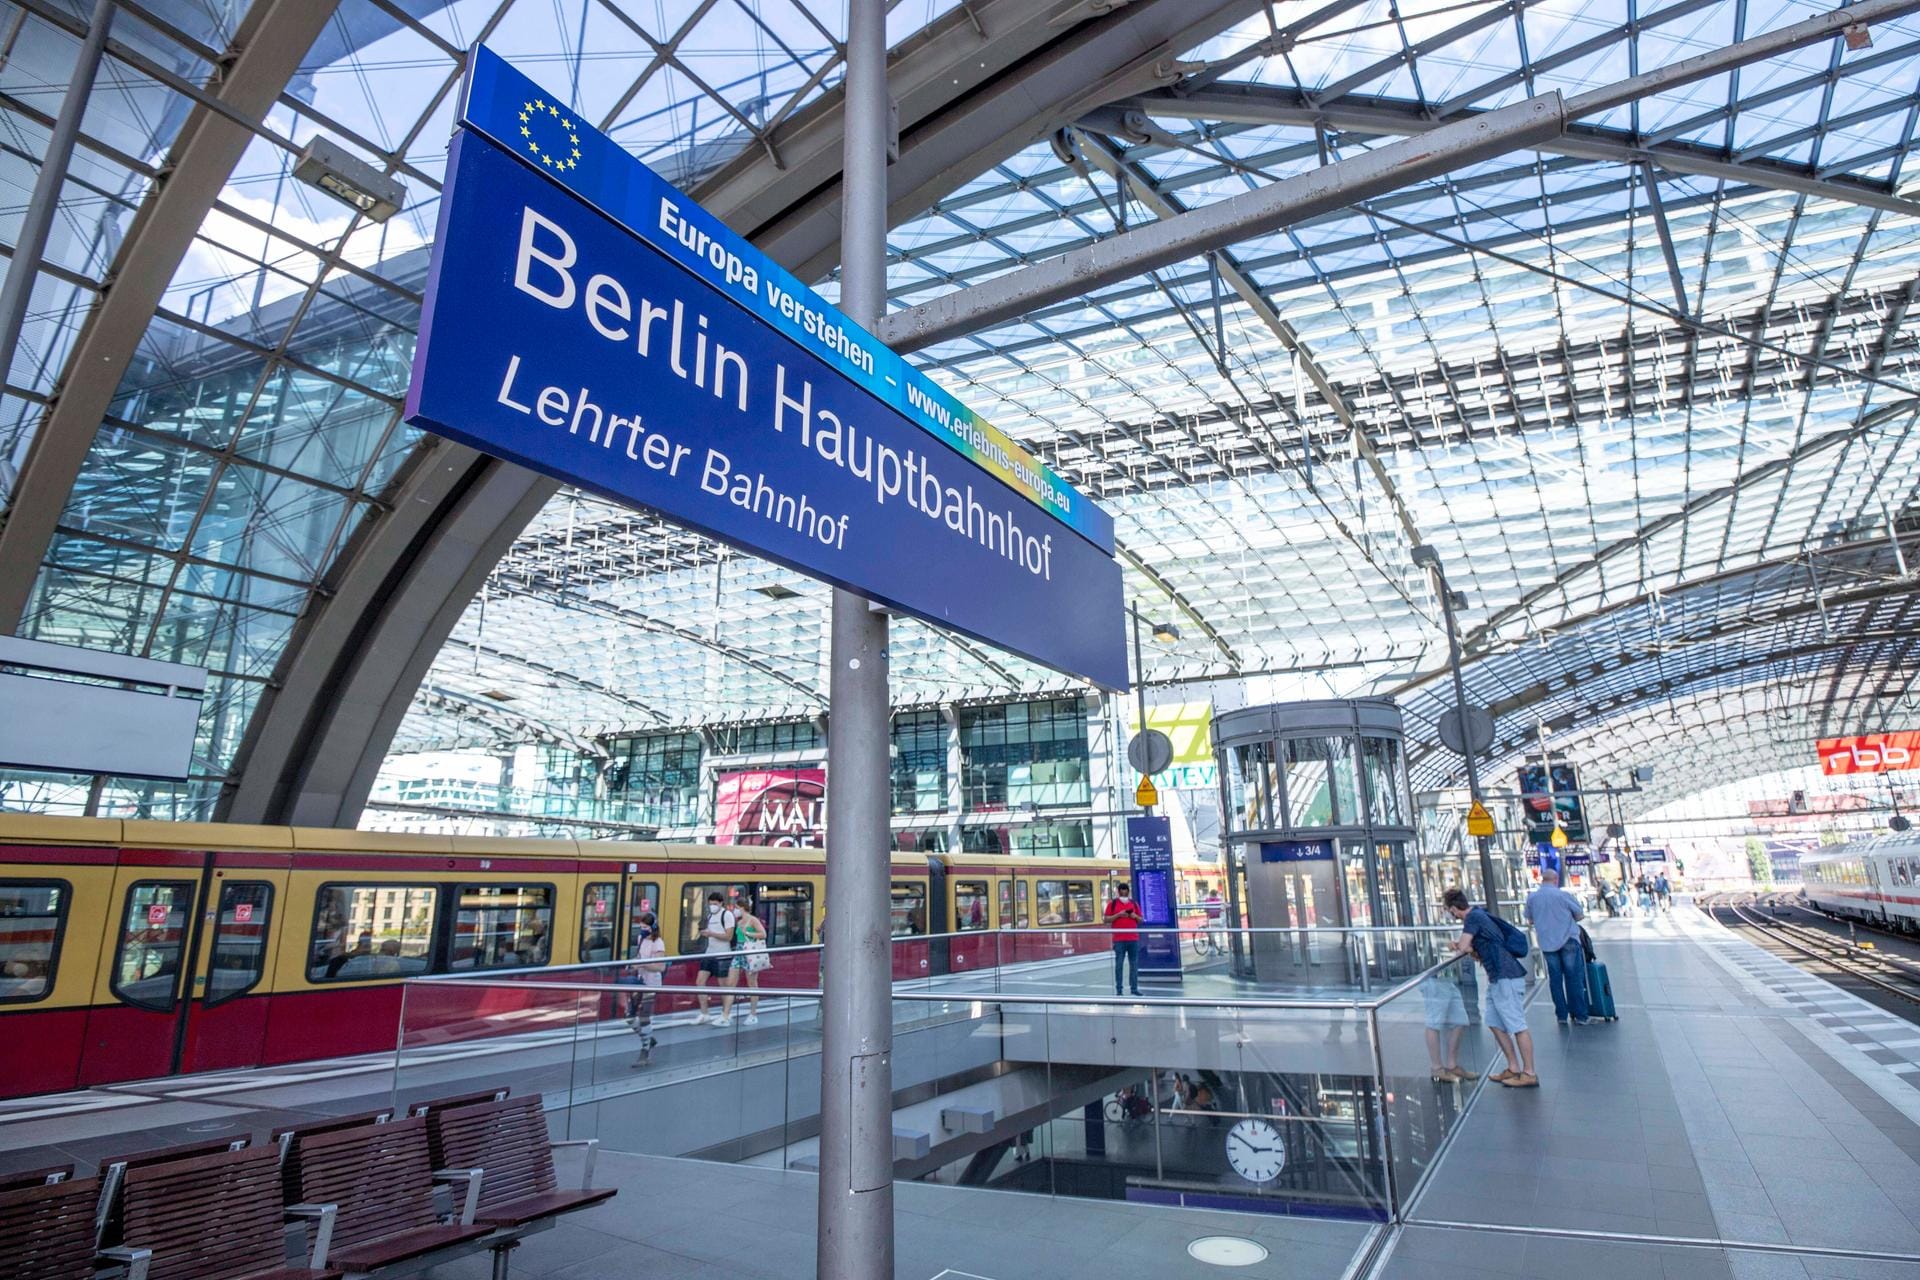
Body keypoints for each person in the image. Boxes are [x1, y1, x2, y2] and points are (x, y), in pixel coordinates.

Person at [1444, 887, 1536, 1087]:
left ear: (1453, 909)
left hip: (1506, 976)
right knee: (1493, 1021)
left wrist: (1455, 945)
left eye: (1450, 911)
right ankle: (1513, 1067)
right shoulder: (1479, 914)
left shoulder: (1473, 918)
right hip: (1498, 977)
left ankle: (1529, 1072)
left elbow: (1463, 946)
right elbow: (1471, 947)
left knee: (1517, 1025)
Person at [1525, 869, 1589, 1026]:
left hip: (1547, 943)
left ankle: (1561, 1015)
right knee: (1573, 978)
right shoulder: (1563, 895)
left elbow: (1529, 920)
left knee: (1555, 979)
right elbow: (1579, 915)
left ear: (1542, 880)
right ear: (1556, 879)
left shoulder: (1532, 898)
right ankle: (1580, 1015)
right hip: (1568, 940)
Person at [693, 891, 737, 1026]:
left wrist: (711, 933)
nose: (713, 906)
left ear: (721, 903)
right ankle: (704, 1013)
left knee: (723, 986)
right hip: (709, 953)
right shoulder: (709, 915)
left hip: (723, 954)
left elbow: (728, 936)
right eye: (711, 904)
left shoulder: (727, 915)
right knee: (700, 982)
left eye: (715, 904)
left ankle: (726, 1014)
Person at [628, 912, 666, 1065]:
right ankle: (648, 1038)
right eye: (641, 926)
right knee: (629, 1016)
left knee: (644, 1016)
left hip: (652, 983)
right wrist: (634, 963)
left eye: (645, 927)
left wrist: (643, 964)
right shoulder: (641, 939)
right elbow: (639, 957)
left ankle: (645, 1052)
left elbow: (660, 966)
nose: (642, 929)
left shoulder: (658, 944)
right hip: (640, 981)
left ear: (653, 927)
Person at [1421, 968, 1471, 1083]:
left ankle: (1451, 1066)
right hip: (1434, 977)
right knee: (1434, 1022)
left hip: (1446, 977)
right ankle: (1437, 1068)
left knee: (1459, 1020)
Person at [728, 905, 768, 1025]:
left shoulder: (753, 920)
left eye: (736, 907)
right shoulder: (739, 921)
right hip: (739, 951)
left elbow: (763, 934)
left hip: (749, 951)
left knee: (752, 984)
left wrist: (748, 933)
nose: (734, 910)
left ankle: (753, 1014)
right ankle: (726, 1014)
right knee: (730, 983)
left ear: (742, 908)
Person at [1104, 881, 1143, 997]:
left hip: (1133, 939)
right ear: (1118, 892)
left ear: (1128, 892)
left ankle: (1134, 988)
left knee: (1134, 965)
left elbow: (1141, 920)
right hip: (1119, 939)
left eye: (1125, 892)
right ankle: (1119, 989)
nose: (1124, 894)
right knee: (1119, 965)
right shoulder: (1113, 904)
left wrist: (1134, 916)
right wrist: (1118, 915)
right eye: (1122, 892)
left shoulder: (1134, 904)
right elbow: (1106, 919)